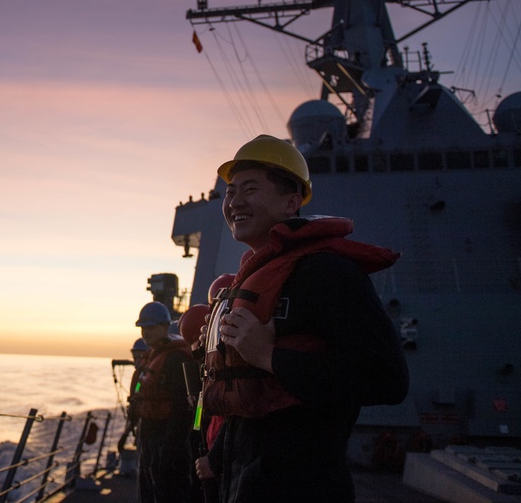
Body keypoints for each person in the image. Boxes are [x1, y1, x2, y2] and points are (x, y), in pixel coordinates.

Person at [199, 135, 409, 503]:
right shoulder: (252, 278)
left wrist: (269, 356)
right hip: (243, 484)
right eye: (230, 192)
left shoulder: (326, 271)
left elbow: (387, 377)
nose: (234, 202)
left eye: (250, 189)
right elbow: (252, 402)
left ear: (291, 203)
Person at [132, 301, 197, 502]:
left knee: (168, 489)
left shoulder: (175, 359)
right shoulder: (152, 356)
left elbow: (181, 408)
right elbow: (140, 389)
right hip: (149, 432)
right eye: (143, 328)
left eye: (150, 327)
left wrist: (171, 447)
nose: (145, 333)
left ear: (165, 327)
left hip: (166, 435)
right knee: (149, 488)